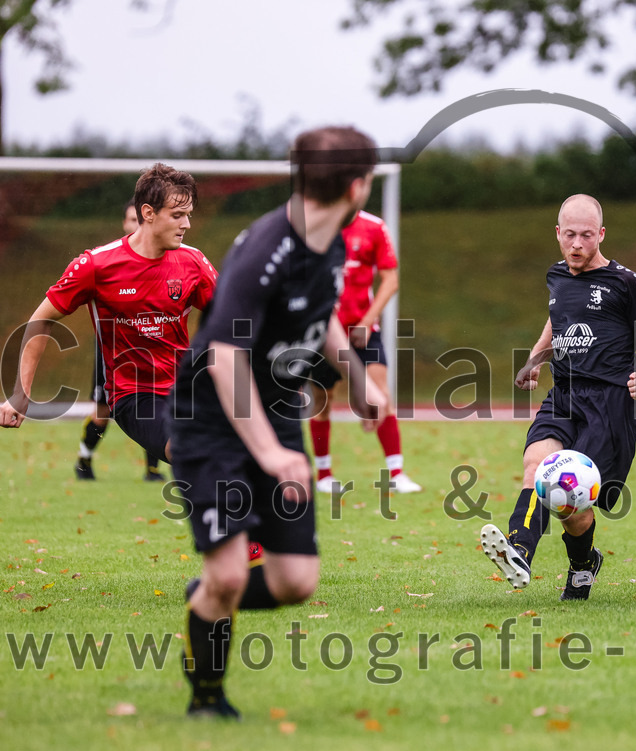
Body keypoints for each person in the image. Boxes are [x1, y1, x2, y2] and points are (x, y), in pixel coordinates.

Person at [171, 126, 386, 718]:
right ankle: (207, 701)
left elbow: (325, 318)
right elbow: (222, 354)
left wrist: (358, 381)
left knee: (296, 580)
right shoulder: (269, 248)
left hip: (274, 410)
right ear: (358, 185)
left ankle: (207, 597)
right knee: (233, 574)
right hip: (212, 419)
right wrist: (267, 453)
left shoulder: (332, 239)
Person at [479, 194, 636, 602]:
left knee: (571, 502)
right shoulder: (557, 276)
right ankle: (519, 549)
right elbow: (555, 319)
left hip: (611, 403)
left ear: (601, 235)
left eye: (586, 235)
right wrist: (535, 359)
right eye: (570, 235)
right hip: (565, 394)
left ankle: (583, 563)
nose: (577, 244)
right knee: (535, 464)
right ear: (558, 234)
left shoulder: (625, 283)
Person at [0, 165, 217, 470]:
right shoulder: (95, 266)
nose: (187, 224)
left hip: (185, 388)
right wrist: (21, 394)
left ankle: (226, 514)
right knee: (190, 450)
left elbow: (232, 317)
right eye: (177, 215)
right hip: (135, 394)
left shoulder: (193, 263)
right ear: (148, 213)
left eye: (189, 214)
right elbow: (41, 321)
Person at [308, 210, 422, 494]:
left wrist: (366, 321)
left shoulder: (374, 227)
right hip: (322, 332)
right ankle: (323, 475)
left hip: (364, 331)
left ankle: (396, 473)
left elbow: (391, 280)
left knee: (381, 396)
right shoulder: (314, 224)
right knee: (322, 400)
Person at [74, 199, 167, 481]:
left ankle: (152, 469)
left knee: (158, 406)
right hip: (113, 352)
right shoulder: (107, 262)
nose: (136, 224)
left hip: (155, 351)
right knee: (103, 412)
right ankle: (84, 459)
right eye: (130, 219)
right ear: (124, 224)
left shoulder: (167, 260)